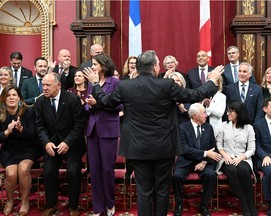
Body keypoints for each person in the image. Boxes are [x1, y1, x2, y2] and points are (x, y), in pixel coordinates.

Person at [83, 50, 224, 216]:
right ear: (155, 67)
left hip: (138, 148)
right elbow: (196, 95)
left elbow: (105, 102)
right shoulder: (167, 85)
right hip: (164, 147)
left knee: (144, 191)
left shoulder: (125, 86)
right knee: (162, 190)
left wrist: (96, 84)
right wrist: (212, 79)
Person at [35, 72, 86, 216]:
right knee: (49, 171)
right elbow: (39, 126)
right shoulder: (40, 102)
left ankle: (73, 206)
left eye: (48, 85)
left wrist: (67, 142)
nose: (44, 88)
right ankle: (51, 205)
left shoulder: (72, 99)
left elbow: (79, 125)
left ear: (58, 85)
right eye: (43, 85)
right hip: (51, 144)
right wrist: (46, 143)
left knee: (73, 171)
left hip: (72, 143)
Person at [84, 53, 121, 216]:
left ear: (104, 66)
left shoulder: (115, 82)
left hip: (108, 130)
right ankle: (98, 207)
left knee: (107, 169)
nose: (92, 67)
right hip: (92, 131)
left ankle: (110, 203)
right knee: (95, 169)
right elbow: (87, 105)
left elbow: (118, 106)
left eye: (95, 64)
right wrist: (90, 105)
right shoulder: (91, 83)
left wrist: (97, 103)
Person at [172, 103, 222, 216]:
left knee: (211, 175)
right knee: (176, 176)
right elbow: (184, 149)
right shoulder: (182, 128)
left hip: (204, 162)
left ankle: (204, 205)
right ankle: (179, 204)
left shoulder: (208, 127)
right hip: (186, 160)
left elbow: (213, 148)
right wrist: (205, 154)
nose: (206, 115)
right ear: (194, 115)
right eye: (203, 113)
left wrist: (204, 161)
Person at [0, 85, 41, 216]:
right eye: (8, 95)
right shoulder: (1, 115)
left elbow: (35, 135)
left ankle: (24, 201)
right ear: (4, 99)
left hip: (28, 148)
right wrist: (7, 131)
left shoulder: (28, 112)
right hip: (9, 149)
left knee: (23, 169)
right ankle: (10, 201)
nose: (11, 98)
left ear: (19, 97)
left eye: (14, 95)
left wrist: (22, 130)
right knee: (11, 173)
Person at [216, 101, 257, 216]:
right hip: (226, 158)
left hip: (243, 158)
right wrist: (225, 155)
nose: (228, 113)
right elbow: (219, 145)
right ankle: (244, 203)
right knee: (232, 170)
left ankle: (251, 204)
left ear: (238, 112)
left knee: (243, 170)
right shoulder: (223, 125)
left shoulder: (248, 128)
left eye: (231, 111)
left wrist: (240, 158)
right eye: (228, 110)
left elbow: (252, 149)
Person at [202, 73, 226, 137]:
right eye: (209, 79)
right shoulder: (201, 95)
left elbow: (220, 114)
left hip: (215, 128)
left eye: (214, 80)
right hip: (202, 126)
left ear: (218, 83)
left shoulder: (221, 96)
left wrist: (209, 106)